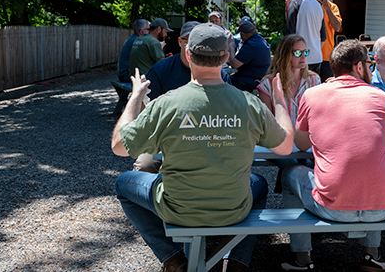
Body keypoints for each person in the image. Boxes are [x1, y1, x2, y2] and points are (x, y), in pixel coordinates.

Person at [112, 23, 295, 272]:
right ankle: (238, 263)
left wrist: (134, 97)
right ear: (227, 57)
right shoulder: (249, 104)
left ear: (188, 54)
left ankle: (174, 259)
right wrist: (280, 102)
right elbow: (285, 148)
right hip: (233, 209)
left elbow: (119, 146)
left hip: (178, 209)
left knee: (123, 184)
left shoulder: (166, 104)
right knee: (259, 184)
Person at [280, 39, 385, 271]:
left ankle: (302, 257)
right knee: (373, 172)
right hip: (384, 207)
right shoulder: (381, 97)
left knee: (289, 174)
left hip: (332, 207)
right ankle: (371, 254)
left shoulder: (313, 95)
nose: (370, 70)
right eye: (368, 65)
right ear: (358, 67)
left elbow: (302, 145)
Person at [133, 21, 231, 174]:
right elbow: (146, 114)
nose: (193, 45)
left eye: (198, 41)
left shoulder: (218, 74)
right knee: (144, 166)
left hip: (206, 139)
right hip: (164, 138)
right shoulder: (160, 70)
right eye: (188, 40)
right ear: (180, 42)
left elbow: (227, 114)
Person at [257, 34, 321, 192]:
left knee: (308, 160)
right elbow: (267, 123)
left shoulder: (314, 82)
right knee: (300, 163)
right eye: (297, 53)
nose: (303, 57)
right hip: (278, 140)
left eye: (305, 52)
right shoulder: (269, 83)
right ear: (285, 55)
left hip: (306, 141)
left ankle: (289, 188)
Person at [285, 0, 327, 75]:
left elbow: (289, 34)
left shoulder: (295, 3)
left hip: (299, 58)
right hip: (316, 57)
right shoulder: (319, 6)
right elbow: (323, 37)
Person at [311, 0, 342, 82]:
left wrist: (326, 8)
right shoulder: (308, 6)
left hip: (326, 56)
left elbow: (337, 27)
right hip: (310, 55)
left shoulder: (333, 7)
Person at [229, 21, 271, 92]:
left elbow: (234, 64)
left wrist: (231, 48)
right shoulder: (259, 40)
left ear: (243, 34)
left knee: (225, 82)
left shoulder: (251, 45)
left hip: (252, 80)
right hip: (260, 78)